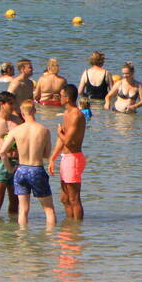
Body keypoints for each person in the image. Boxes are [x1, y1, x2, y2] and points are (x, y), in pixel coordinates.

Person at [0, 100, 55, 227]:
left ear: (22, 114)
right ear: (34, 111)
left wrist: (9, 168)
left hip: (21, 170)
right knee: (48, 209)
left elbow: (2, 152)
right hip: (36, 169)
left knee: (23, 210)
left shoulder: (15, 131)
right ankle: (50, 240)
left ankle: (22, 242)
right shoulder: (44, 130)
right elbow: (46, 155)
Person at [48, 84, 87, 220]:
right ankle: (70, 227)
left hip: (74, 158)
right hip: (66, 157)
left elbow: (68, 141)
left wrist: (59, 132)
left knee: (74, 198)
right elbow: (62, 140)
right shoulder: (66, 113)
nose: (59, 98)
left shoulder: (77, 115)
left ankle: (77, 229)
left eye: (61, 95)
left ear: (68, 98)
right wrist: (53, 157)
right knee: (64, 198)